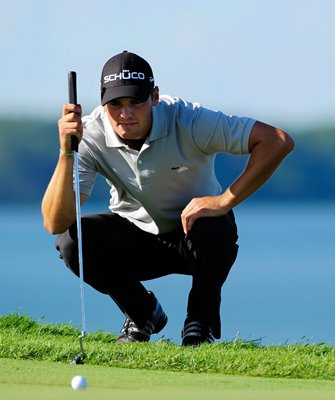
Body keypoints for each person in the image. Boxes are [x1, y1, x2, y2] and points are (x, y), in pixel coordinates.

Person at [42, 50, 294, 346]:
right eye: (116, 104)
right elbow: (54, 221)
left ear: (155, 96)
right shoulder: (90, 133)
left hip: (197, 238)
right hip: (137, 239)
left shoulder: (188, 119)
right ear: (103, 103)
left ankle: (199, 326)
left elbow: (277, 141)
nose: (126, 113)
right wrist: (66, 151)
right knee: (72, 242)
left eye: (136, 101)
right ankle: (142, 314)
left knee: (215, 223)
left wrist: (224, 200)